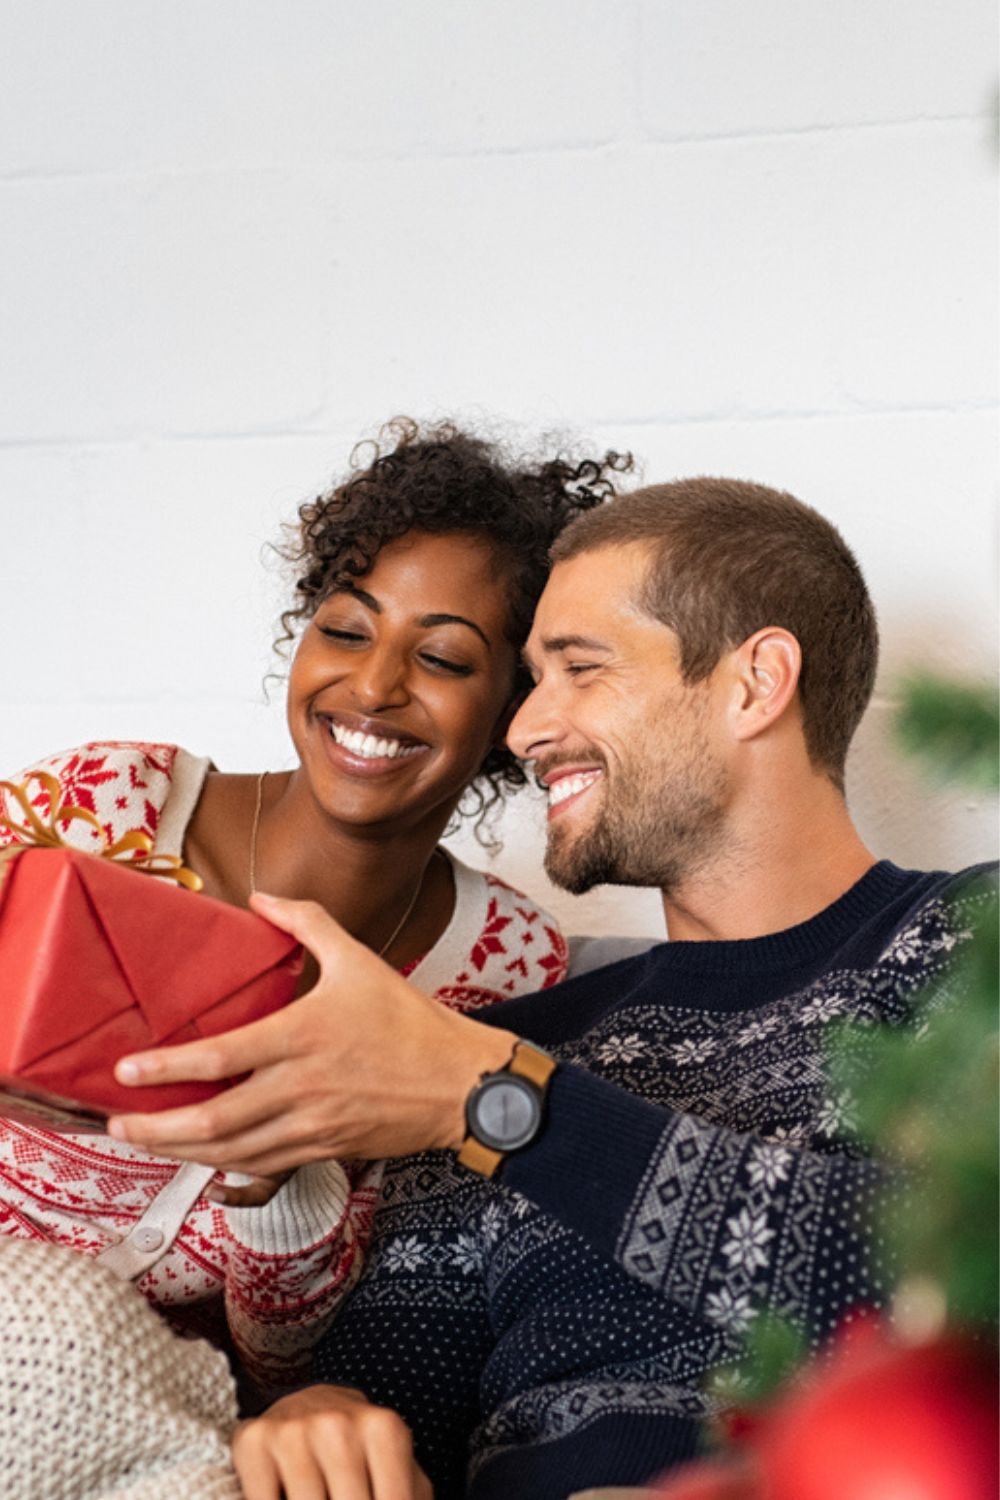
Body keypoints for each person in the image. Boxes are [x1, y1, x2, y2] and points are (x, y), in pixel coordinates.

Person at [108, 477, 995, 1499]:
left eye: (579, 669)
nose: (525, 730)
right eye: (528, 680)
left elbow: (960, 1277)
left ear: (755, 683)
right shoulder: (504, 1040)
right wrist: (321, 1417)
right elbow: (392, 1403)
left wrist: (503, 1104)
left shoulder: (967, 946)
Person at [0, 418, 629, 1400]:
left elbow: (294, 1361)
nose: (373, 687)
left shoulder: (507, 967)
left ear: (516, 705)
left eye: (446, 660)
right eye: (345, 630)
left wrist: (278, 1178)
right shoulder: (99, 805)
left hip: (154, 1427)